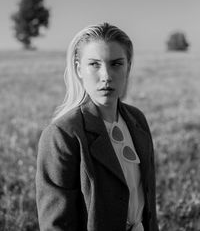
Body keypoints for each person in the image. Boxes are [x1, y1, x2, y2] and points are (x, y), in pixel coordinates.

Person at [36, 22, 159, 231]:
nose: (106, 76)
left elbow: (148, 204)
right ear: (78, 69)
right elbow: (56, 225)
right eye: (94, 64)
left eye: (116, 64)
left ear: (128, 67)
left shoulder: (137, 119)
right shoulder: (62, 135)